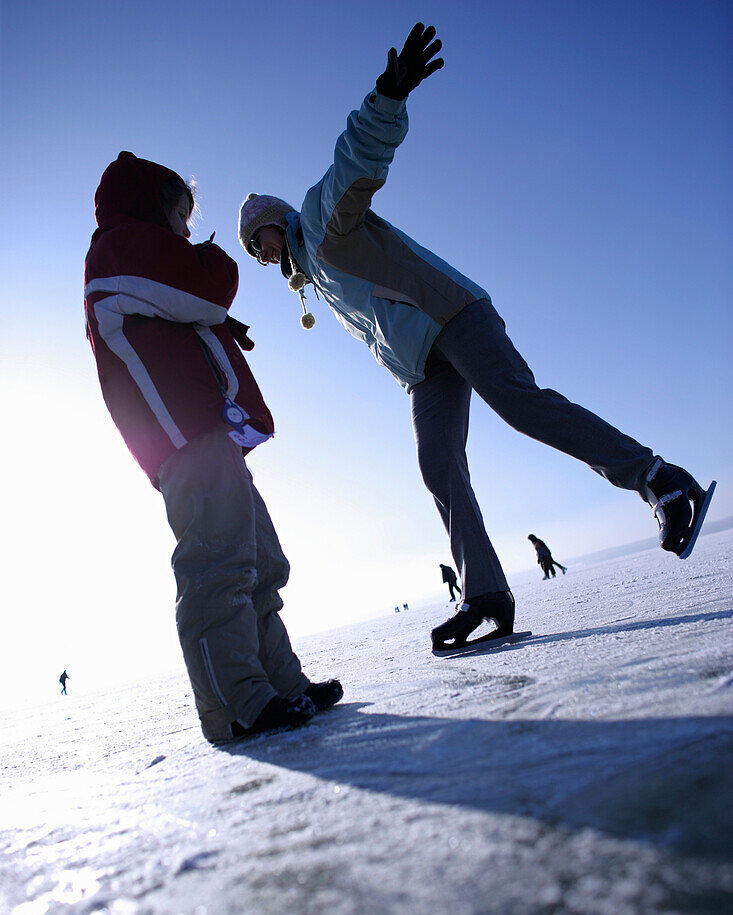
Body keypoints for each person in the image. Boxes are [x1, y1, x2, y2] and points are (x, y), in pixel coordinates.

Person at [237, 23, 715, 654]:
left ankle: (660, 479)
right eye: (253, 253)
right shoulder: (316, 278)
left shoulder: (321, 220)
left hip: (452, 314)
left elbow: (353, 164)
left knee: (522, 406)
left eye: (259, 241)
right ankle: (486, 592)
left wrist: (386, 99)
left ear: (276, 221)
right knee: (437, 465)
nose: (261, 256)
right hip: (423, 366)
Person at [85, 152, 342, 744]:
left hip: (209, 438)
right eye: (179, 214)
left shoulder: (141, 258)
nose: (186, 229)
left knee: (258, 567)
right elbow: (205, 285)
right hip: (185, 440)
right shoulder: (119, 248)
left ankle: (280, 686)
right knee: (219, 565)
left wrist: (218, 328)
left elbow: (189, 310)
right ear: (151, 207)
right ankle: (236, 702)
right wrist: (213, 280)